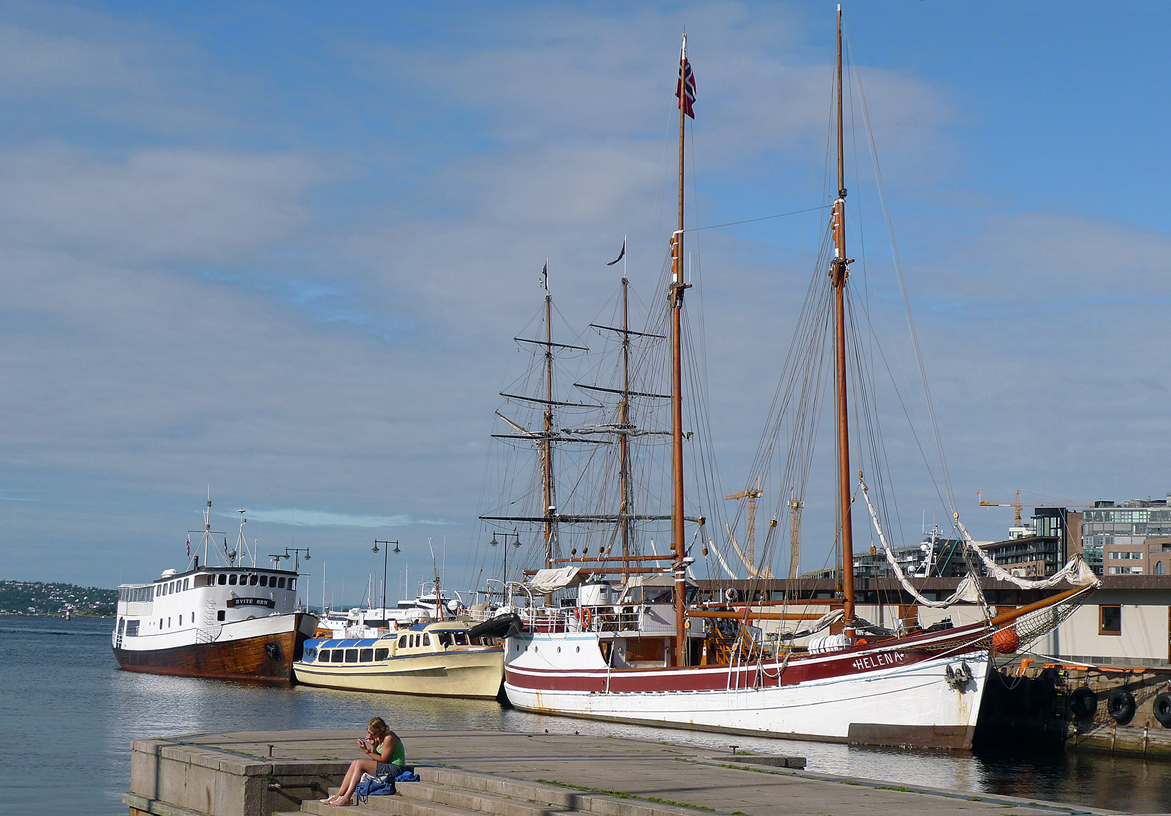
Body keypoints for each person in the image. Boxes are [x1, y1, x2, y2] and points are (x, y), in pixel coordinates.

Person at [323, 717, 405, 806]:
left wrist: (366, 750)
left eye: (373, 734)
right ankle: (338, 795)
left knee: (359, 763)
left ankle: (347, 798)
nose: (371, 736)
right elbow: (376, 760)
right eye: (369, 733)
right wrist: (373, 746)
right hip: (386, 766)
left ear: (381, 730)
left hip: (395, 768)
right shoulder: (378, 738)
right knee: (355, 762)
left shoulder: (389, 738)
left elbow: (383, 759)